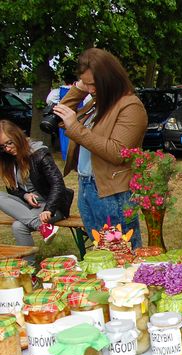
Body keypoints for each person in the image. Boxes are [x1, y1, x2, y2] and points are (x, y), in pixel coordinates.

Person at [53, 48, 147, 248]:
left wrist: (76, 127)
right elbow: (61, 118)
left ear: (109, 79)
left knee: (123, 253)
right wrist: (78, 89)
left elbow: (117, 152)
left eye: (93, 84)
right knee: (99, 252)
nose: (90, 89)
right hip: (88, 186)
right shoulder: (99, 103)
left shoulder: (130, 106)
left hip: (113, 192)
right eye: (85, 84)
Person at [0, 120, 74, 250]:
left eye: (9, 143)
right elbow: (12, 189)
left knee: (18, 226)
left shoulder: (39, 154)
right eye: (2, 147)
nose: (7, 149)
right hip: (29, 207)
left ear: (18, 136)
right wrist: (25, 195)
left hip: (51, 205)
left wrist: (48, 209)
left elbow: (58, 184)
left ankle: (28, 264)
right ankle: (42, 227)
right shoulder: (9, 160)